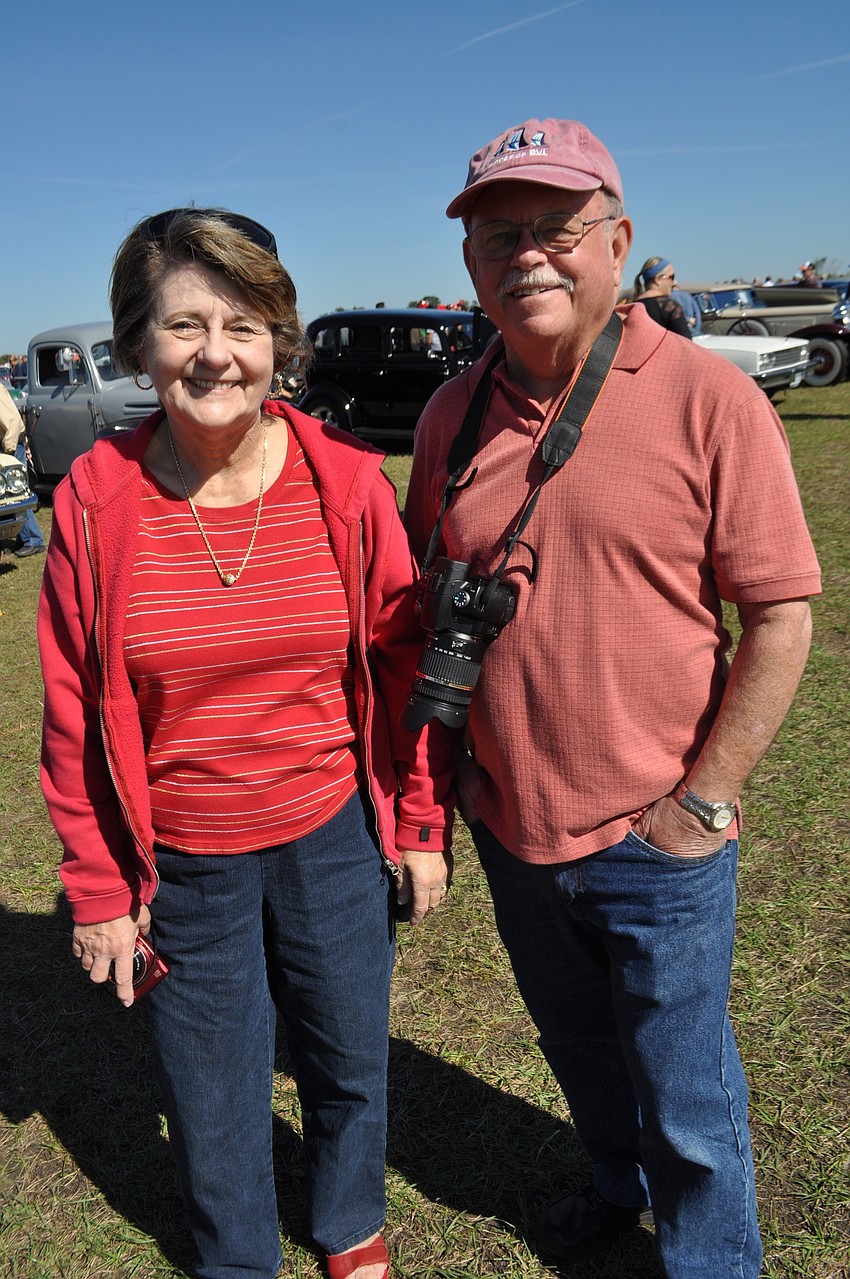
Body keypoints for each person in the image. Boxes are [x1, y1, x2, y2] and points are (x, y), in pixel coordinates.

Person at [403, 118, 820, 1278]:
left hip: (658, 833)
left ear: (618, 238)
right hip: (514, 828)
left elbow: (780, 614)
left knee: (688, 1092)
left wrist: (704, 801)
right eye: (496, 237)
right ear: (471, 264)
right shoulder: (449, 418)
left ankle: (711, 1261)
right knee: (582, 1052)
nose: (524, 256)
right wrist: (461, 793)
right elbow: (425, 616)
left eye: (553, 228)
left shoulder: (706, 398)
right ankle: (612, 1185)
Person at [38, 207, 455, 1279]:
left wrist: (416, 824)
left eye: (243, 322)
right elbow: (75, 708)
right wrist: (97, 886)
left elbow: (405, 675)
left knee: (348, 1053)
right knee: (210, 1084)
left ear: (279, 339)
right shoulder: (93, 502)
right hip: (186, 858)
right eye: (184, 325)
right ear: (139, 347)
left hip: (330, 835)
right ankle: (235, 1257)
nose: (215, 352)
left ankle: (348, 1221)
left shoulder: (349, 484)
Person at [0, 380, 45, 557]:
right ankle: (23, 535)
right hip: (11, 443)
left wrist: (10, 452)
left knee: (16, 493)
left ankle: (34, 540)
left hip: (11, 445)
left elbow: (10, 421)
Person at [632, 256, 692, 337]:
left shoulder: (632, 307)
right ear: (658, 279)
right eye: (671, 277)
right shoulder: (670, 307)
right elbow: (686, 343)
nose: (673, 282)